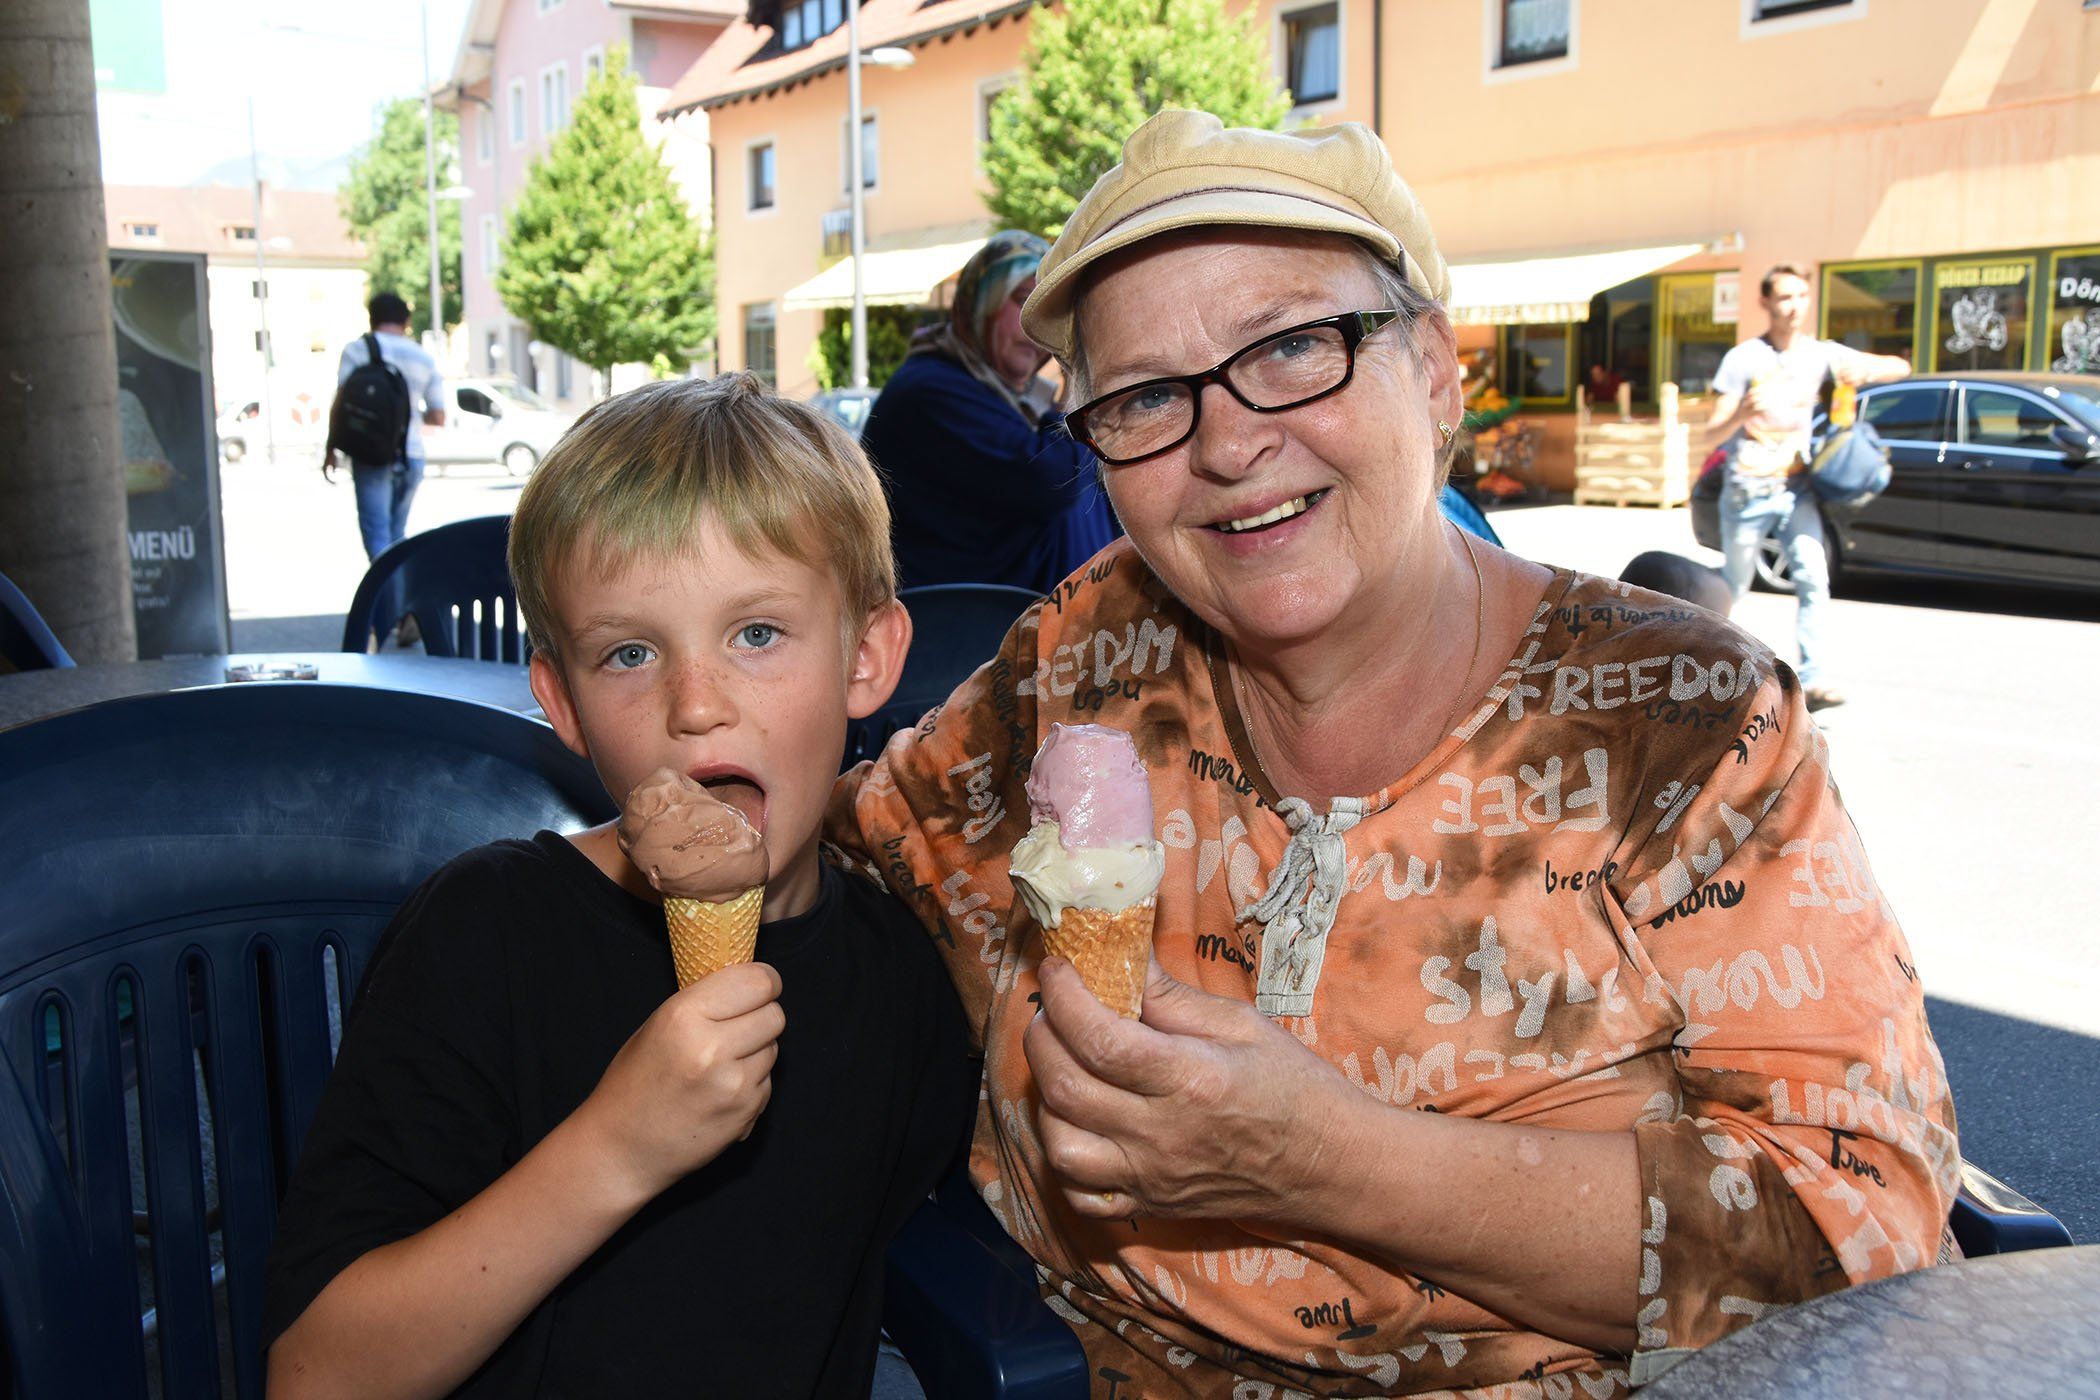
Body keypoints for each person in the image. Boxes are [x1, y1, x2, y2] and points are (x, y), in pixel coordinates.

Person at [827, 112, 1958, 1396]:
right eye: (1144, 396)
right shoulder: (1092, 650)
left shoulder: (1684, 722)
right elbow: (866, 854)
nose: (1228, 444)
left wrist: (1330, 1158)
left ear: (1432, 369)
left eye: (1293, 347)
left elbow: (1861, 1227)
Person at [264, 375, 975, 1396]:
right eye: (630, 653)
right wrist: (616, 1150)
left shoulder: (903, 977)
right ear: (563, 703)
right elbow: (316, 1375)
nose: (696, 704)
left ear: (865, 655)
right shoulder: (484, 937)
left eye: (757, 633)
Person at [859, 231, 1116, 595]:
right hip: (960, 619)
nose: (1035, 329)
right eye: (1023, 301)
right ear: (982, 302)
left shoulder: (1001, 396)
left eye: (1049, 316)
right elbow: (1056, 480)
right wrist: (1077, 390)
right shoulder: (931, 393)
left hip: (1016, 614)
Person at [1705, 265, 1909, 711]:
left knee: (1814, 578)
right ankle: (1700, 667)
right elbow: (1710, 433)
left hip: (1796, 487)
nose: (1794, 306)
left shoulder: (1820, 354)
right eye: (1784, 297)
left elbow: (1900, 367)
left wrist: (1867, 369)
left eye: (1801, 296)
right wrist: (1740, 414)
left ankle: (1813, 679)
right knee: (1734, 584)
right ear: (1765, 302)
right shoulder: (1743, 359)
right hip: (1748, 487)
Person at [336, 292, 447, 566]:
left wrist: (331, 447)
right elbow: (438, 415)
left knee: (377, 537)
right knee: (397, 538)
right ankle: (400, 590)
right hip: (412, 455)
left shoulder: (357, 351)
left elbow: (341, 402)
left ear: (371, 317)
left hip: (371, 454)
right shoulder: (422, 357)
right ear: (406, 321)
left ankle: (388, 591)